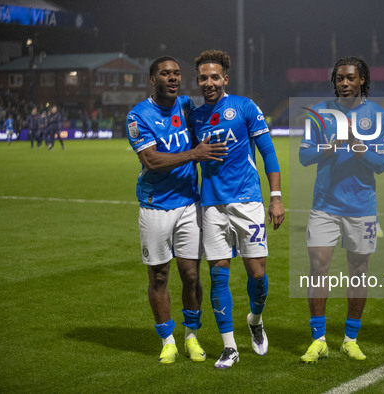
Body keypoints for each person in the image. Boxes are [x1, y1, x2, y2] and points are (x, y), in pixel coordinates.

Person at [125, 56, 227, 364]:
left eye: (177, 73)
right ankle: (167, 340)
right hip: (156, 205)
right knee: (159, 276)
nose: (173, 78)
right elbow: (152, 161)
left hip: (188, 204)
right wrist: (195, 153)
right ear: (153, 79)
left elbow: (207, 132)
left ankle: (191, 337)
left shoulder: (185, 106)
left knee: (192, 274)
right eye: (165, 74)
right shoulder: (138, 116)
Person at [190, 49, 284, 369]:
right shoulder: (196, 116)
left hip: (248, 201)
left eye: (215, 76)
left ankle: (255, 319)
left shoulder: (244, 106)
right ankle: (229, 347)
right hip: (212, 205)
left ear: (225, 79)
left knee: (257, 273)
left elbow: (268, 152)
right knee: (218, 275)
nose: (209, 82)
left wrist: (276, 197)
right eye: (203, 77)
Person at [298, 57, 384, 363]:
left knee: (358, 272)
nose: (344, 83)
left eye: (351, 78)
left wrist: (356, 144)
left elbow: (381, 164)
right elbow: (303, 156)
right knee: (318, 269)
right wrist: (330, 146)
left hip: (361, 208)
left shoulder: (379, 115)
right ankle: (319, 339)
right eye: (339, 78)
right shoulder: (319, 113)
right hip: (324, 205)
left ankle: (350, 338)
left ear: (362, 79)